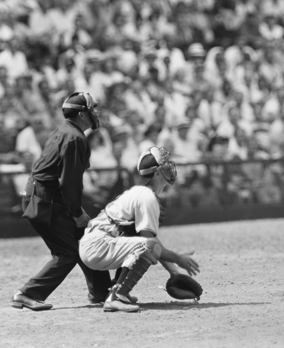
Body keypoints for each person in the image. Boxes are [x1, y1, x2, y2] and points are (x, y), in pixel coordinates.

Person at [11, 92, 113, 311]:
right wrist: (76, 212)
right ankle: (27, 293)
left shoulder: (67, 131)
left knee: (85, 238)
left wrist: (75, 211)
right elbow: (69, 182)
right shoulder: (75, 137)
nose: (95, 113)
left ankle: (103, 292)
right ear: (81, 114)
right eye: (91, 109)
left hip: (45, 197)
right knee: (67, 253)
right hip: (46, 200)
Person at [79, 146, 200, 312]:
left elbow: (147, 240)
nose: (170, 167)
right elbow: (150, 244)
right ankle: (115, 296)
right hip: (98, 245)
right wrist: (177, 259)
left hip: (98, 243)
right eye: (164, 164)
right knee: (148, 245)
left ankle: (118, 291)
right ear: (157, 173)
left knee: (145, 243)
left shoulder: (141, 193)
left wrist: (173, 271)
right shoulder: (146, 196)